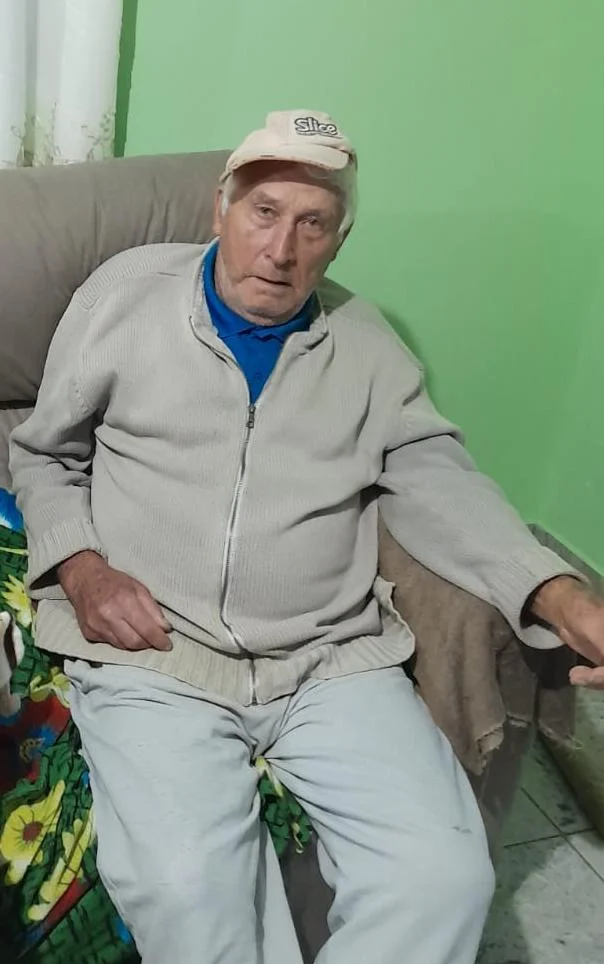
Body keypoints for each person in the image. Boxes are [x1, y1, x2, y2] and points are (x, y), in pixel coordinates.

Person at [9, 109, 604, 964]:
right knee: (187, 889)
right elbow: (42, 454)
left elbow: (437, 479)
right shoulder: (123, 296)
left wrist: (558, 594)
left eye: (313, 224)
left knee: (444, 877)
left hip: (329, 660)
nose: (282, 249)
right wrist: (84, 568)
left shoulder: (366, 344)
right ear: (221, 210)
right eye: (264, 213)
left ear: (338, 241)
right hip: (158, 654)